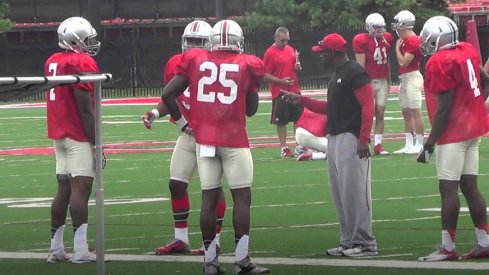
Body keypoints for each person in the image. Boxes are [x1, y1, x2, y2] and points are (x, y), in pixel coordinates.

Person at [161, 19, 270, 274]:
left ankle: (210, 262)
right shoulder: (247, 64)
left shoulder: (196, 59)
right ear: (238, 42)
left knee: (208, 197)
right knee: (241, 197)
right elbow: (252, 110)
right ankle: (242, 260)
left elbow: (167, 94)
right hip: (233, 139)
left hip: (204, 139)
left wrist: (186, 124)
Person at [281, 33, 377, 257]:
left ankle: (365, 243)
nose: (320, 55)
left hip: (351, 138)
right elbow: (331, 108)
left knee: (355, 192)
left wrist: (364, 138)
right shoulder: (339, 75)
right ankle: (348, 240)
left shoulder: (355, 73)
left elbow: (367, 105)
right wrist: (301, 99)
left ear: (333, 53)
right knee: (340, 193)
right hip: (335, 138)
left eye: (323, 52)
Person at [141, 20, 227, 256]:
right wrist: (156, 112)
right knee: (176, 184)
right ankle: (181, 239)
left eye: (198, 43)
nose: (192, 47)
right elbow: (173, 96)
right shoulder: (175, 64)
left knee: (213, 189)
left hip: (209, 134)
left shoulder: (216, 66)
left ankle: (215, 240)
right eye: (189, 42)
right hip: (188, 133)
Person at [417, 16, 489, 262]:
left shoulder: (438, 61)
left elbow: (444, 108)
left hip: (453, 134)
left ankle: (448, 248)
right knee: (470, 187)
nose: (425, 43)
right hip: (473, 129)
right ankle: (484, 242)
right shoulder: (467, 49)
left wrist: (429, 143)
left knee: (448, 189)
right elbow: (485, 81)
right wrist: (473, 105)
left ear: (437, 39)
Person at [45, 16, 102, 264]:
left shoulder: (53, 61)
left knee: (63, 190)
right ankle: (80, 250)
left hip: (59, 133)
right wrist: (96, 141)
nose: (91, 43)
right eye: (87, 39)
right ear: (75, 40)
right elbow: (84, 107)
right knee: (81, 189)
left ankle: (56, 249)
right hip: (77, 133)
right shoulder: (83, 62)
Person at [353, 13, 394, 155]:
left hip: (382, 80)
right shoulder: (361, 40)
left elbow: (387, 60)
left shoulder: (387, 38)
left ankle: (378, 145)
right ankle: (363, 141)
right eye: (376, 27)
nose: (379, 30)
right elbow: (360, 65)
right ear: (369, 27)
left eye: (381, 27)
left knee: (380, 113)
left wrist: (389, 79)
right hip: (368, 81)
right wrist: (365, 82)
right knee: (366, 114)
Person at [263, 27, 304, 158]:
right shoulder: (270, 53)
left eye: (287, 40)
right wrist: (280, 81)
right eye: (282, 41)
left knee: (299, 119)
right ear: (275, 38)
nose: (285, 43)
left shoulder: (291, 50)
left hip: (294, 89)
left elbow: (294, 67)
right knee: (281, 121)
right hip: (279, 91)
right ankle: (284, 147)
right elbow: (265, 74)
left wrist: (298, 67)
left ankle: (300, 145)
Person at [391, 10, 425, 154]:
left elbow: (403, 62)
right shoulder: (406, 40)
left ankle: (420, 143)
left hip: (412, 77)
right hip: (404, 79)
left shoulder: (413, 40)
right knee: (405, 112)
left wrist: (397, 49)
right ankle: (409, 143)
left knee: (415, 112)